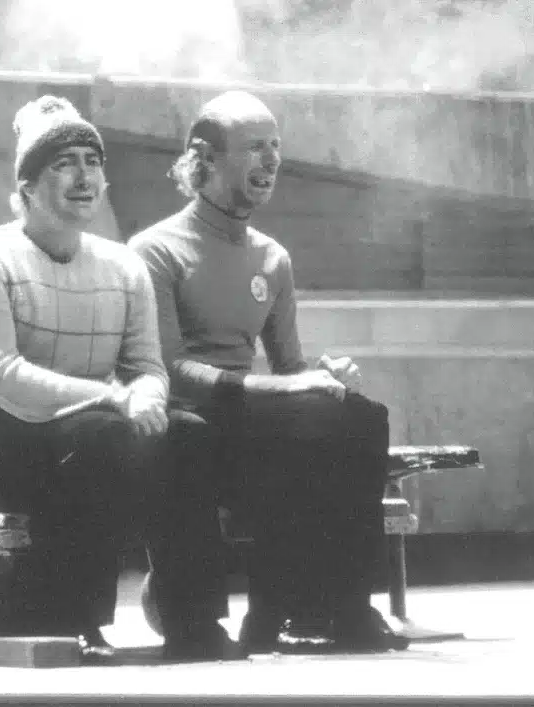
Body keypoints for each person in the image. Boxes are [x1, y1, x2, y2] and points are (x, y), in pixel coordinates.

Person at [129, 90, 409, 654]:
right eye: (255, 147)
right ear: (204, 158)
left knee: (357, 418)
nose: (272, 160)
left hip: (251, 421)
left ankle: (339, 608)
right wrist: (280, 388)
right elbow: (166, 370)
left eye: (277, 147)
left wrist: (320, 377)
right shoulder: (153, 250)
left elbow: (290, 369)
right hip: (189, 424)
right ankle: (195, 622)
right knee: (191, 437)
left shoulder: (272, 258)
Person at [0, 95, 169, 662]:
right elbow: (3, 378)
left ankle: (193, 615)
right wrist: (117, 398)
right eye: (64, 163)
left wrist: (148, 396)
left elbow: (147, 367)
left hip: (88, 429)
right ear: (28, 187)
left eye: (92, 160)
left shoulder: (124, 267)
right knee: (100, 440)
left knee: (188, 434)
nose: (84, 175)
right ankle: (67, 616)